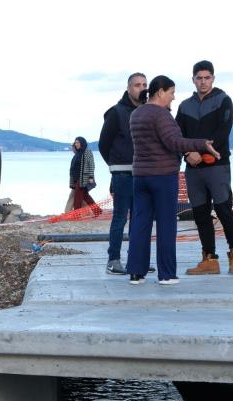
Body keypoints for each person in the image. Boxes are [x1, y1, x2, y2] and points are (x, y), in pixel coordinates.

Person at [125, 75, 219, 286]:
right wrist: (202, 144)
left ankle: (136, 272)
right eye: (171, 93)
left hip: (140, 176)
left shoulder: (136, 114)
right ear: (160, 92)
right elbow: (174, 142)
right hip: (162, 176)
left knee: (140, 224)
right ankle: (166, 274)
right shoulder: (161, 115)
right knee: (166, 225)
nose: (173, 98)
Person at [177, 60, 233, 275]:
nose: (203, 82)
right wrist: (188, 153)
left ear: (213, 78)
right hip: (193, 167)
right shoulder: (185, 106)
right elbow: (177, 135)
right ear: (193, 80)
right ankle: (209, 259)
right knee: (200, 213)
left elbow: (223, 131)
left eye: (207, 78)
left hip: (217, 165)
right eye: (199, 78)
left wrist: (203, 152)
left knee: (224, 209)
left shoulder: (224, 101)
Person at [98, 72, 146, 275]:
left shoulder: (148, 111)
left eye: (144, 84)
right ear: (128, 88)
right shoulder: (116, 113)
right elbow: (103, 144)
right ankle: (113, 260)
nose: (141, 88)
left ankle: (136, 261)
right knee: (120, 218)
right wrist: (115, 164)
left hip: (144, 173)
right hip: (122, 175)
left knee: (140, 219)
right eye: (137, 85)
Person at [67, 137, 101, 215]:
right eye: (75, 143)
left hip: (83, 179)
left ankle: (77, 214)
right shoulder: (78, 153)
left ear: (82, 143)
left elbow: (91, 165)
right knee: (86, 196)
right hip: (76, 179)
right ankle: (97, 211)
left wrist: (91, 177)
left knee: (77, 197)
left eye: (78, 142)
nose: (76, 144)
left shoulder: (87, 152)